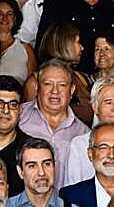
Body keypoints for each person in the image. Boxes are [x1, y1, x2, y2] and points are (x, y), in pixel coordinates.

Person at [4, 137, 97, 207]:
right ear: (20, 171)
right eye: (32, 166)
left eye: (47, 164)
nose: (41, 172)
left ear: (54, 166)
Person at [19, 59, 90, 188]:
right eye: (48, 84)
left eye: (62, 85)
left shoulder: (84, 134)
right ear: (37, 88)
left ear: (72, 90)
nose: (55, 91)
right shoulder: (19, 116)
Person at [24, 22, 93, 124]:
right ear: (65, 45)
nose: (82, 48)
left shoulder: (82, 78)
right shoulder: (35, 81)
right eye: (78, 42)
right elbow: (26, 120)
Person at [0, 0, 37, 83]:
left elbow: (33, 85)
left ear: (15, 19)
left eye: (10, 14)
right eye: (0, 13)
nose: (5, 18)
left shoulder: (26, 49)